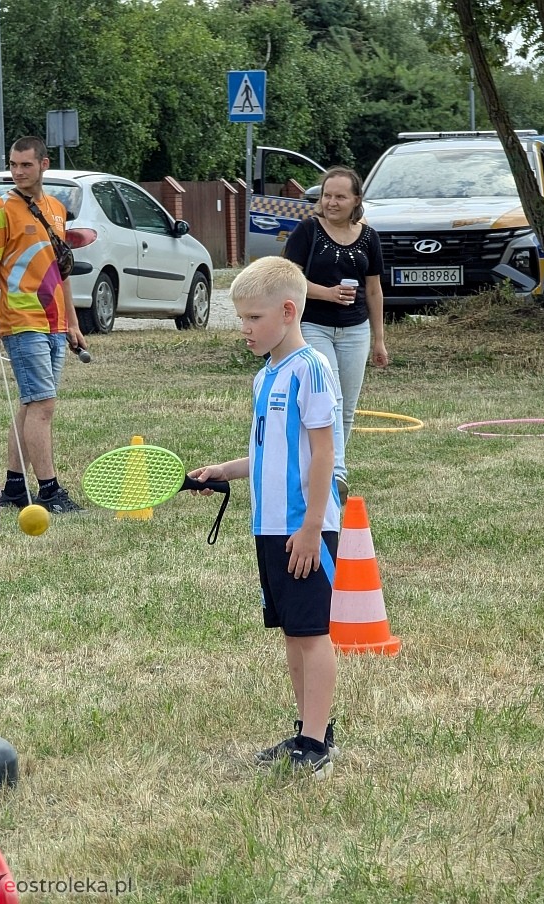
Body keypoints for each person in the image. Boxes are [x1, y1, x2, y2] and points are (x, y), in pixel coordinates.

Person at [191, 256, 342, 779]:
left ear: (287, 311)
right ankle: (309, 727)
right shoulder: (264, 379)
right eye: (241, 319)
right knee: (291, 633)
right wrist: (223, 471)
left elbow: (323, 454)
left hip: (305, 526)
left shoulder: (312, 369)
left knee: (312, 632)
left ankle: (317, 745)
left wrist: (310, 527)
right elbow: (267, 452)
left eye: (253, 319)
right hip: (270, 527)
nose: (244, 329)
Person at [0, 136, 87, 514]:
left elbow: (63, 268)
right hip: (21, 320)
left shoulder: (56, 209)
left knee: (29, 406)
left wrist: (72, 321)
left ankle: (12, 488)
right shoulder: (0, 210)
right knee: (42, 405)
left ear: (44, 164)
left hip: (54, 321)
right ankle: (49, 490)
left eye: (26, 164)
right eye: (13, 164)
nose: (18, 172)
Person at [283, 166, 388, 503]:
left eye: (340, 196)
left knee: (347, 407)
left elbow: (374, 290)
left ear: (356, 199)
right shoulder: (308, 230)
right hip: (313, 326)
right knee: (332, 397)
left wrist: (379, 339)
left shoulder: (369, 237)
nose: (331, 202)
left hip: (355, 330)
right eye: (327, 195)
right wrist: (326, 293)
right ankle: (337, 474)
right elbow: (291, 281)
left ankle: (324, 470)